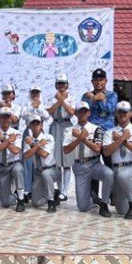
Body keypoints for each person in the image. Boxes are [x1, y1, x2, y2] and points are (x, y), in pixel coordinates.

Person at [63, 101, 113, 218]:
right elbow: (66, 150)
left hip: (94, 164)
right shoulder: (69, 130)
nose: (82, 113)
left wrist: (83, 138)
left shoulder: (96, 129)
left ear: (89, 113)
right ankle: (93, 199)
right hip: (79, 166)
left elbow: (97, 148)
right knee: (82, 207)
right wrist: (79, 138)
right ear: (75, 113)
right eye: (80, 111)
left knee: (109, 174)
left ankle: (104, 204)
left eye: (85, 111)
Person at [82, 69, 118, 195]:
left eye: (101, 80)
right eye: (96, 80)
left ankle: (112, 195)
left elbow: (109, 109)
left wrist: (99, 99)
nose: (98, 82)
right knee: (92, 166)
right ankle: (94, 196)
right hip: (92, 136)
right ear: (92, 81)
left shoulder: (112, 95)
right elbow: (83, 111)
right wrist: (94, 98)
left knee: (110, 164)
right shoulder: (86, 96)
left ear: (106, 81)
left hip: (107, 136)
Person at [46, 74, 76, 202]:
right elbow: (49, 111)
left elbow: (72, 112)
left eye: (63, 83)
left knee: (67, 160)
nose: (61, 86)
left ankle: (65, 191)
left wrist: (62, 100)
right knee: (56, 160)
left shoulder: (72, 98)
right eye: (59, 83)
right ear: (56, 85)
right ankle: (59, 190)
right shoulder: (51, 98)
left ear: (67, 85)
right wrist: (58, 100)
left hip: (66, 125)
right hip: (55, 125)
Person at [0, 106, 26, 212]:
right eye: (3, 117)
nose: (5, 119)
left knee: (18, 170)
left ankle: (21, 199)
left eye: (7, 117)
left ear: (10, 119)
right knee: (5, 203)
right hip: (2, 167)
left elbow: (16, 150)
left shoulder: (17, 133)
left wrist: (2, 139)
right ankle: (14, 195)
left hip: (14, 163)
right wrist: (8, 140)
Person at [21, 85, 52, 202]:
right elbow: (23, 115)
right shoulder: (26, 104)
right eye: (33, 92)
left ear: (40, 93)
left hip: (40, 133)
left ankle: (38, 188)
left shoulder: (43, 104)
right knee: (28, 161)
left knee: (39, 160)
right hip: (29, 132)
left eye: (37, 92)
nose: (35, 95)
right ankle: (27, 189)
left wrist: (38, 107)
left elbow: (47, 116)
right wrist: (31, 107)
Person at [23, 114, 58, 212]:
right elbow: (26, 156)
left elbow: (44, 154)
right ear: (29, 126)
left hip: (52, 170)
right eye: (33, 124)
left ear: (42, 125)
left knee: (46, 174)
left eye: (37, 123)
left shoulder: (48, 137)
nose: (35, 126)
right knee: (36, 203)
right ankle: (53, 193)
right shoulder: (28, 139)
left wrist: (33, 144)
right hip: (38, 172)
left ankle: (51, 201)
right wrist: (37, 145)